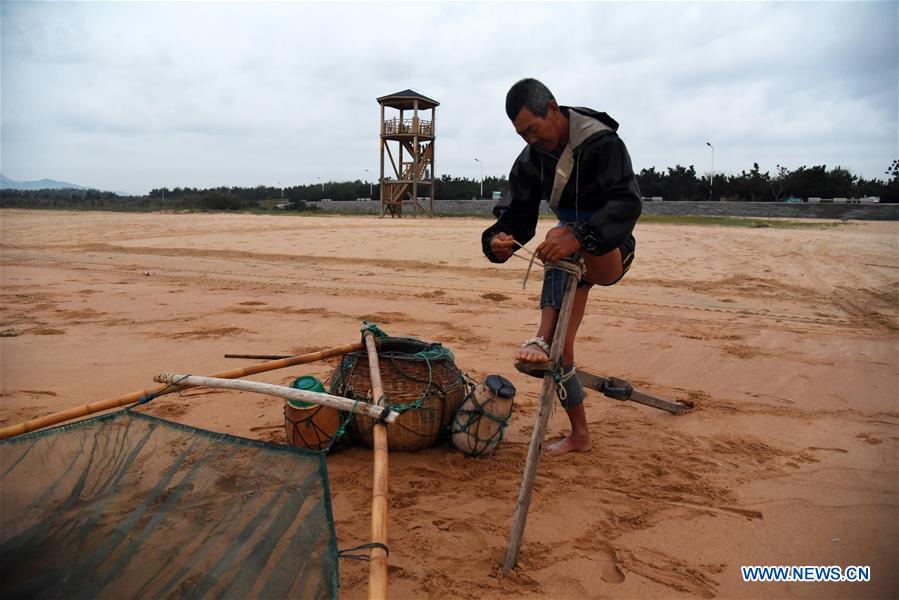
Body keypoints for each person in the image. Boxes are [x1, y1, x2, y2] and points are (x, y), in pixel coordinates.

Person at [481, 78, 641, 456]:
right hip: (570, 258)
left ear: (552, 109)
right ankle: (580, 435)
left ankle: (540, 335)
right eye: (522, 134)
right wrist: (498, 239)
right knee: (562, 353)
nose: (530, 140)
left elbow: (627, 203)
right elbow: (517, 213)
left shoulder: (602, 143)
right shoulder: (532, 158)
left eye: (533, 129)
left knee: (558, 234)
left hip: (610, 250)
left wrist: (579, 236)